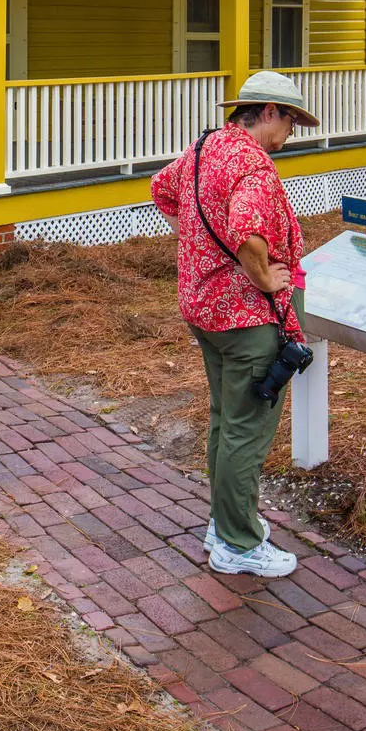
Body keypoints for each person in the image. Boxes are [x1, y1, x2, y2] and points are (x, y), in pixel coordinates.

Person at [150, 69, 316, 578]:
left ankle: (222, 523)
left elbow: (162, 188)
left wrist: (194, 241)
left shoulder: (206, 148)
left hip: (205, 310)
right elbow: (247, 232)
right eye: (290, 122)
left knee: (226, 421)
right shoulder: (254, 165)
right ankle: (239, 545)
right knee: (247, 430)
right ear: (268, 112)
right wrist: (264, 277)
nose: (290, 134)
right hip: (248, 318)